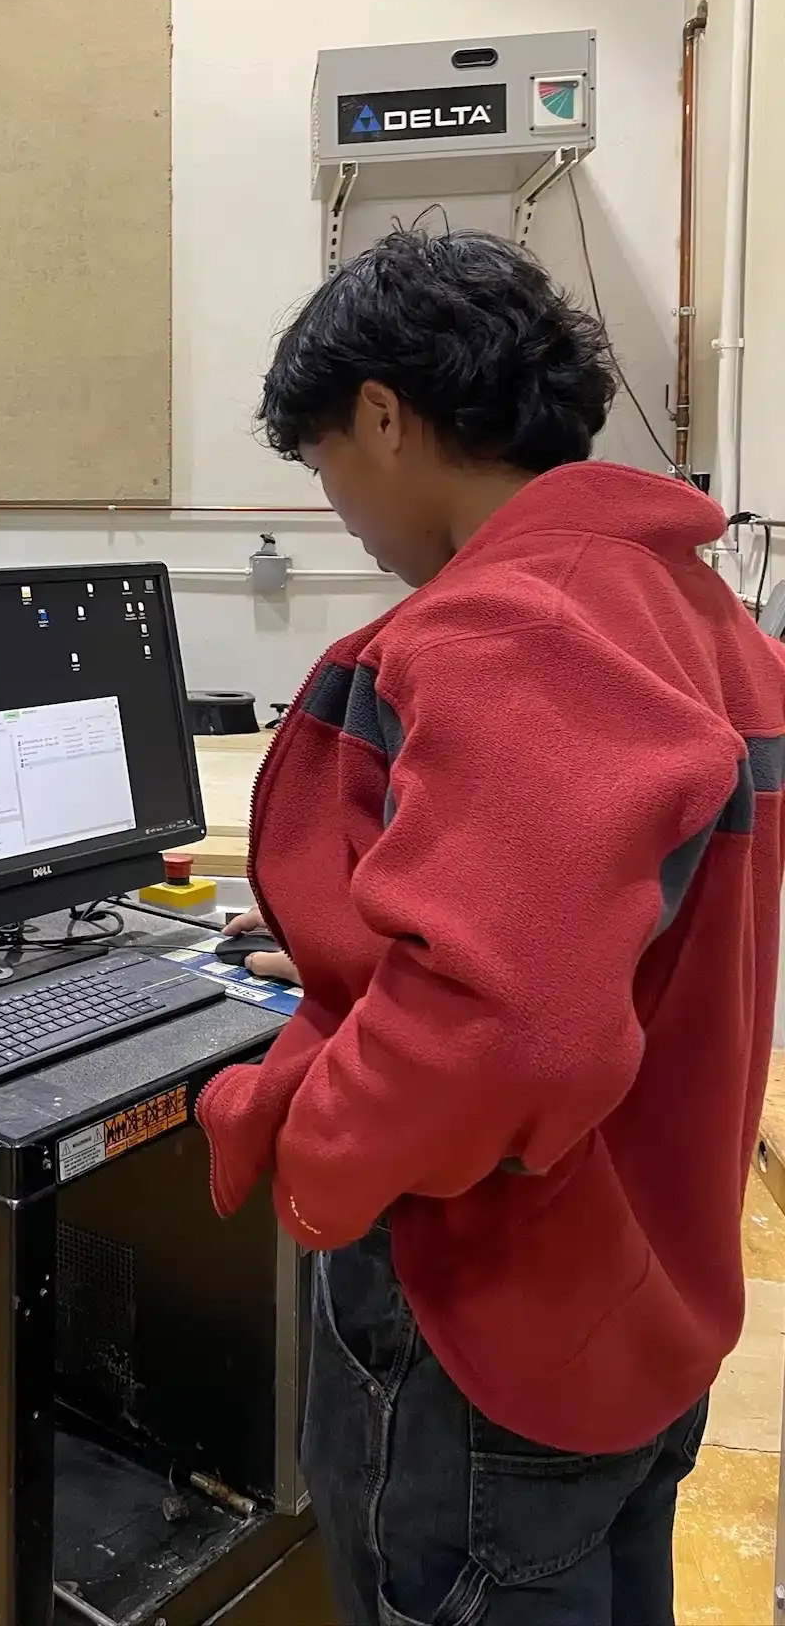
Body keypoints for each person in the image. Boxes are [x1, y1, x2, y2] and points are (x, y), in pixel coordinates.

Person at [196, 227, 785, 1625]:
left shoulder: (522, 624)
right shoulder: (688, 607)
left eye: (325, 463)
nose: (341, 509)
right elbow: (609, 933)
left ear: (384, 415)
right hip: (642, 1290)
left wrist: (322, 1153)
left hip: (493, 1321)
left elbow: (511, 1027)